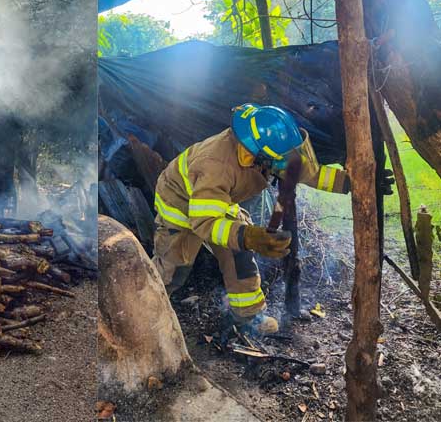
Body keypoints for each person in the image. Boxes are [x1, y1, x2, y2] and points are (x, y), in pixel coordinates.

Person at [151, 103, 377, 335]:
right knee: (173, 268)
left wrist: (352, 183)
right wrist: (249, 236)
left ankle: (247, 317)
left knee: (239, 254)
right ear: (256, 155)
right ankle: (146, 316)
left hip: (215, 199)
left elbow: (304, 171)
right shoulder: (216, 165)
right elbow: (204, 222)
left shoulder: (257, 150)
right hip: (179, 202)